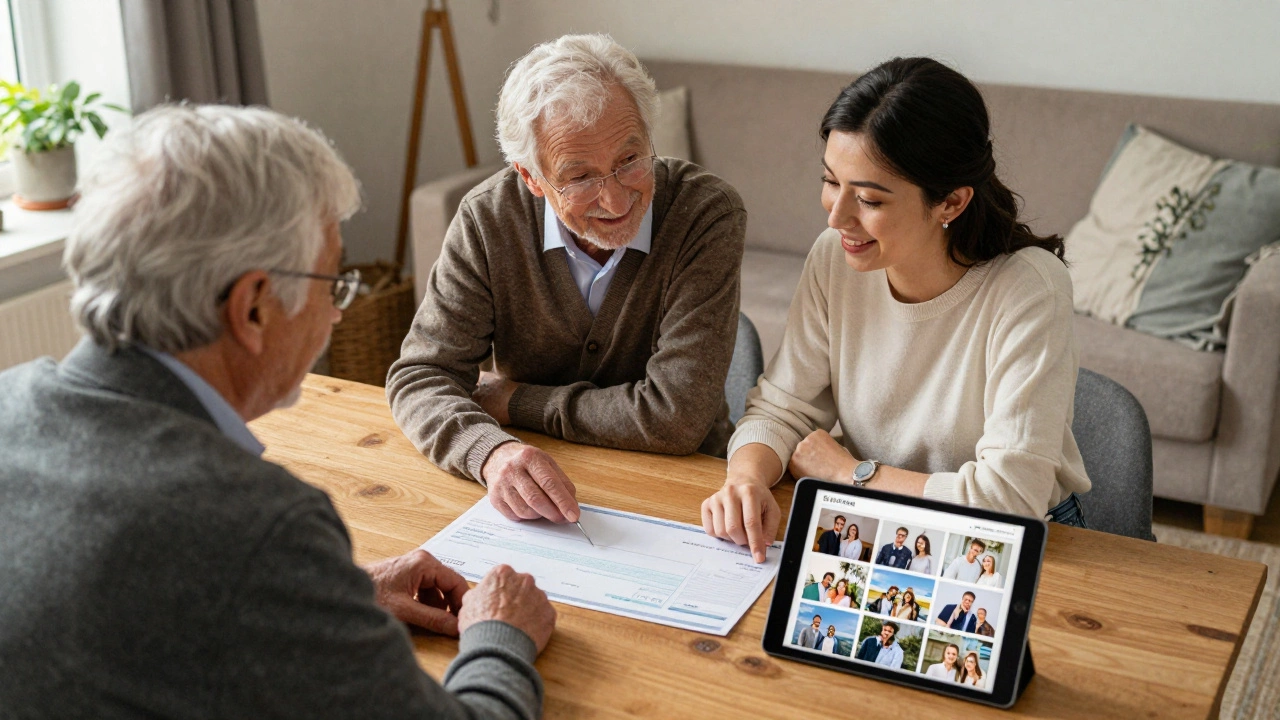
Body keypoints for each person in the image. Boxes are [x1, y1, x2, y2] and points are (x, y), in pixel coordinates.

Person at [0, 105, 556, 718]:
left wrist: (325, 596)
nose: (338, 312)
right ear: (254, 309)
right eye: (330, 284)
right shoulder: (257, 526)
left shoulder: (9, 401)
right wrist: (500, 635)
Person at [701, 56, 1092, 563]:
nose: (837, 216)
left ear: (950, 203)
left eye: (868, 199)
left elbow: (1010, 502)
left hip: (1025, 541)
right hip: (881, 521)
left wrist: (851, 475)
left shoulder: (1030, 288)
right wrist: (746, 479)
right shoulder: (834, 258)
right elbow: (783, 407)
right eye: (830, 181)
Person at [389, 34, 747, 535]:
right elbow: (421, 376)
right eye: (579, 177)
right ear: (531, 178)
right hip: (536, 484)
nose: (616, 198)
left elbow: (676, 419)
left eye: (630, 160)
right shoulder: (489, 221)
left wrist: (515, 401)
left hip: (689, 493)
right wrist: (489, 452)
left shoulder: (704, 213)